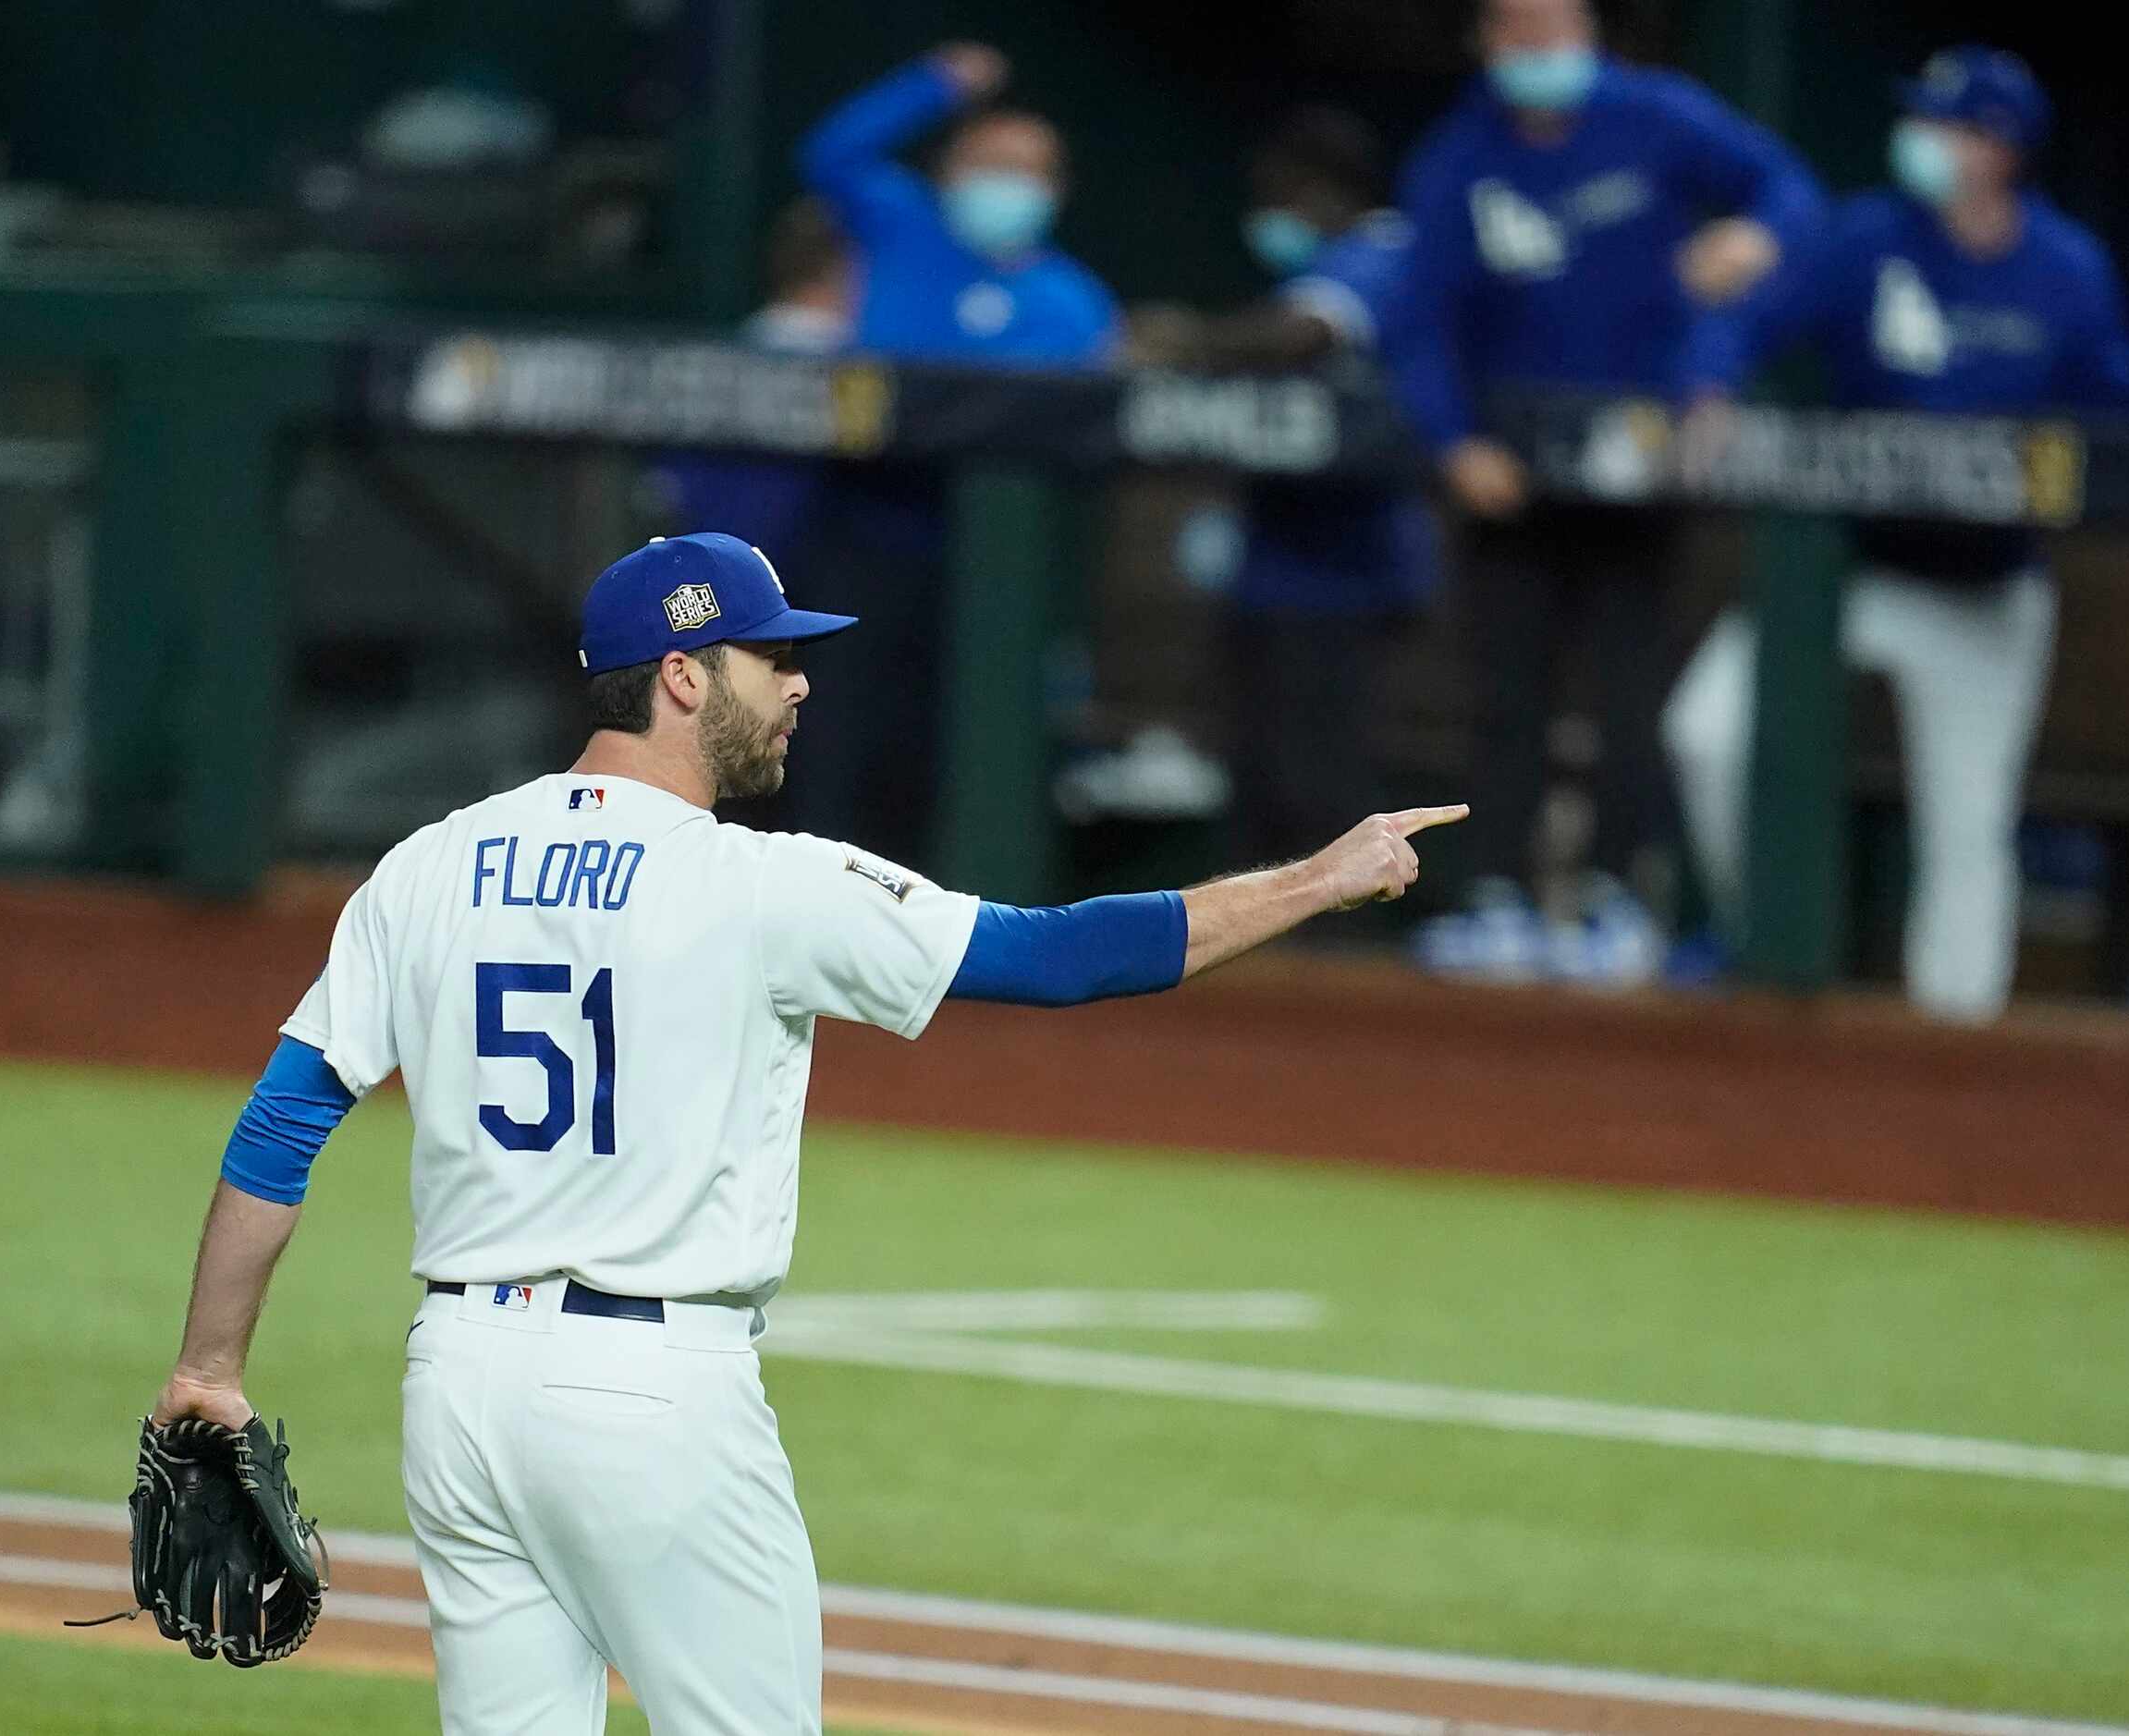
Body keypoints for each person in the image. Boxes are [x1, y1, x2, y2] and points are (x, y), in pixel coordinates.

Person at [141, 531, 1464, 1734]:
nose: (800, 682)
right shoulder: (760, 884)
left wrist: (210, 1366)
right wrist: (1318, 879)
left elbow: (280, 1124)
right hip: (653, 1396)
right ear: (678, 676)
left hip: (459, 1384)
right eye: (771, 654)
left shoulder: (429, 862)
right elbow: (1059, 959)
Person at [1660, 47, 2129, 1024]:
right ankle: (1767, 945)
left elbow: (2119, 396)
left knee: (1968, 826)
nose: (1922, 137)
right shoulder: (1868, 237)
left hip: (1985, 589)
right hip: (1854, 574)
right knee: (1707, 735)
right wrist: (1703, 390)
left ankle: (1950, 1049)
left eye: (1947, 123)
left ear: (1999, 148)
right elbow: (1745, 321)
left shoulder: (2063, 267)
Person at [1382, 0, 1821, 984]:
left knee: (1631, 698)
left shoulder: (1658, 116)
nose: (1544, 54)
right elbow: (1419, 320)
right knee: (1506, 697)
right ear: (1489, 43)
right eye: (1523, 35)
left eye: (1559, 31)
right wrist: (1452, 441)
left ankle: (1622, 902)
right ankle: (1497, 897)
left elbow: (1789, 190)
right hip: (1512, 462)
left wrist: (1753, 238)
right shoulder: (1460, 154)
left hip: (1643, 456)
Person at [788, 43, 1120, 864]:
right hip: (865, 525)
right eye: (990, 164)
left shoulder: (1071, 299)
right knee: (835, 724)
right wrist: (936, 84)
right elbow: (829, 153)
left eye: (1029, 170)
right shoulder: (906, 230)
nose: (1009, 184)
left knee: (962, 732)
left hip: (1001, 569)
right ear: (950, 172)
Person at [1128, 107, 1441, 874]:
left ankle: (1339, 935)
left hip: (1354, 557)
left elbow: (1306, 332)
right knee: (1258, 757)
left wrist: (1185, 339)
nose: (1272, 217)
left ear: (1327, 190)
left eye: (1285, 196)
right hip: (1279, 552)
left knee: (1326, 764)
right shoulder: (1324, 264)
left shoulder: (1384, 252)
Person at [646, 196, 857, 557]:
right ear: (843, 268)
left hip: (707, 579)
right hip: (808, 590)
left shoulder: (719, 357)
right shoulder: (850, 367)